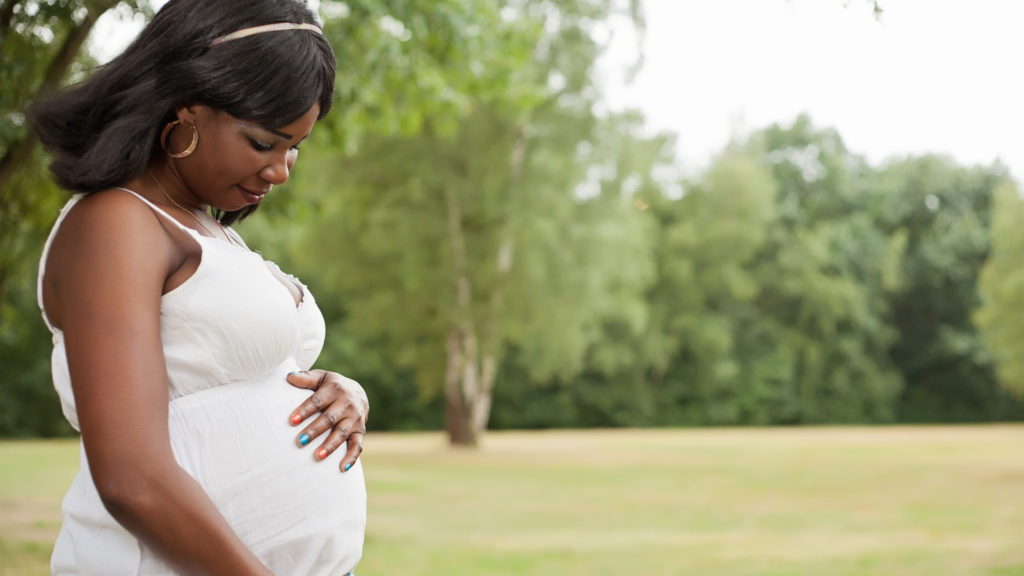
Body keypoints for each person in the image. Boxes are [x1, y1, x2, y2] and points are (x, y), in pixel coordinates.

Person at [30, 0, 368, 574]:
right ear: (188, 109)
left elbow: (236, 378)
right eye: (264, 142)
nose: (282, 169)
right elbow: (131, 478)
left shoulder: (206, 228)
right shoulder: (116, 222)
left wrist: (341, 394)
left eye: (295, 147)